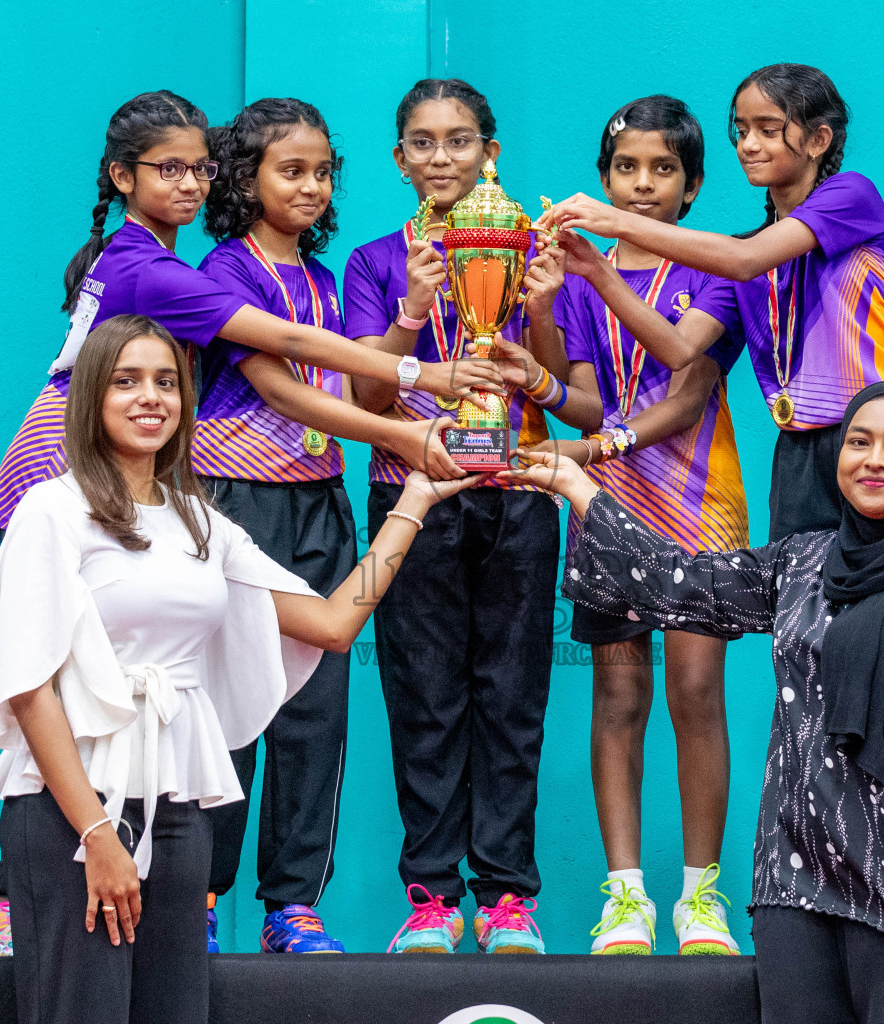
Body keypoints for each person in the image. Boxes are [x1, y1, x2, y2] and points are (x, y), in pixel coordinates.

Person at [0, 314, 479, 1023]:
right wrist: (96, 834)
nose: (149, 397)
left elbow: (335, 624)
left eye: (166, 382)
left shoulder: (201, 521)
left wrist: (413, 504)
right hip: (73, 811)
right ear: (92, 395)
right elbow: (30, 690)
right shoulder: (53, 510)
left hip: (180, 808)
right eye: (126, 382)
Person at [511, 380, 884, 1022]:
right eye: (858, 442)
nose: (874, 460)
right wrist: (578, 489)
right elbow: (678, 585)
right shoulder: (804, 562)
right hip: (798, 886)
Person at [0, 89, 497, 532]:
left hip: (111, 449)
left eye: (200, 168)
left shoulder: (150, 257)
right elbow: (290, 344)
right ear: (122, 176)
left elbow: (334, 380)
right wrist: (423, 374)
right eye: (169, 168)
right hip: (69, 449)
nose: (190, 183)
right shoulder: (159, 271)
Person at [516, 95, 751, 955]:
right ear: (605, 176)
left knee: (695, 693)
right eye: (625, 169)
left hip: (699, 507)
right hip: (604, 508)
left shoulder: (719, 268)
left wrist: (603, 440)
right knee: (618, 694)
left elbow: (685, 374)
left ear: (691, 188)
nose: (642, 185)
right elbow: (574, 392)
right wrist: (544, 308)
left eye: (663, 170)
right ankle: (625, 896)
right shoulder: (580, 276)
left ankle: (701, 896)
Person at [343, 78, 559, 954]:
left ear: (490, 152)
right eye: (424, 144)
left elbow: (566, 389)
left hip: (518, 488)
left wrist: (538, 307)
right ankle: (430, 895)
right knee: (423, 695)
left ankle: (508, 897)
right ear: (400, 160)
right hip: (412, 491)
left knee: (512, 695)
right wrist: (413, 313)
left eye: (461, 141)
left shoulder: (532, 247)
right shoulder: (371, 260)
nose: (442, 159)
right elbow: (360, 388)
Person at [542, 64, 884, 541]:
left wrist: (615, 221)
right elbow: (679, 349)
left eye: (767, 130)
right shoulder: (744, 254)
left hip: (879, 430)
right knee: (800, 604)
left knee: (882, 599)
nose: (748, 145)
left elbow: (744, 259)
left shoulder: (852, 195)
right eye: (741, 131)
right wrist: (597, 270)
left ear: (820, 139)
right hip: (799, 445)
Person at [191, 97, 360, 954]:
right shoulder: (224, 271)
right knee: (229, 701)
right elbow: (281, 386)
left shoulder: (325, 281)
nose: (311, 185)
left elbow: (342, 395)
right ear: (245, 178)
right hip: (234, 498)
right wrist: (406, 433)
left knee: (318, 704)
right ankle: (204, 897)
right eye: (291, 170)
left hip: (321, 497)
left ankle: (293, 905)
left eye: (324, 171)